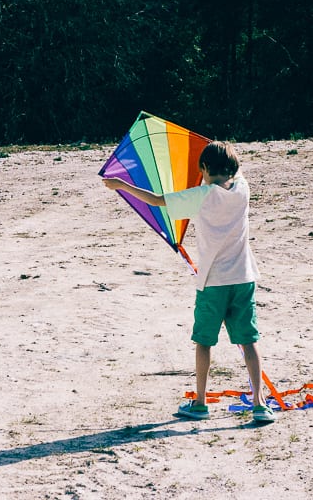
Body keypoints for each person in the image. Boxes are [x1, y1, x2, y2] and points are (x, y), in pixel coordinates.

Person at [102, 140, 275, 423]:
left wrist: (122, 185)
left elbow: (157, 200)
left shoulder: (202, 195)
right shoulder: (242, 190)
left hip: (212, 282)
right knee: (249, 340)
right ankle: (259, 403)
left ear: (204, 169)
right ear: (232, 168)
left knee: (204, 342)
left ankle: (200, 403)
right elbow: (237, 171)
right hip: (244, 278)